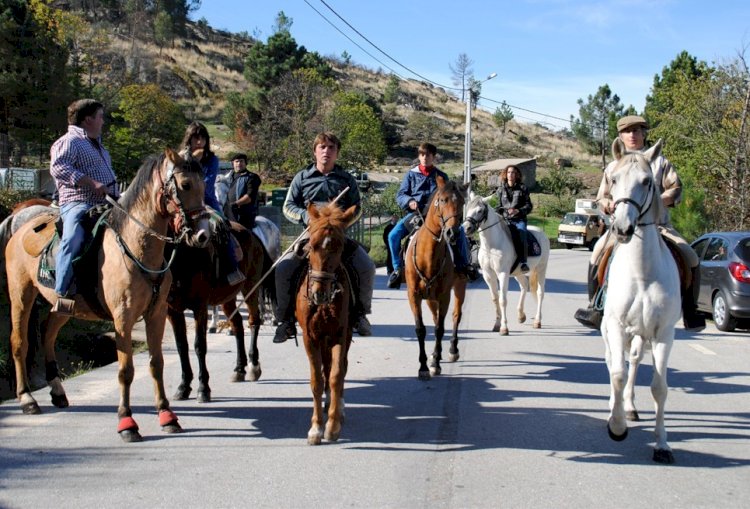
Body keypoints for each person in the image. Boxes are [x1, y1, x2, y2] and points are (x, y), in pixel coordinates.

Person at [574, 115, 705, 332]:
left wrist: (659, 200)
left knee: (690, 256)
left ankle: (691, 310)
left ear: (644, 134)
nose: (632, 135)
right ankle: (596, 308)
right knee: (597, 253)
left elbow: (675, 188)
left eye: (637, 130)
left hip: (658, 225)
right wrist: (607, 204)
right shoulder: (613, 166)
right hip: (622, 226)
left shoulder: (660, 162)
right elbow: (602, 196)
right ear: (621, 136)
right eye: (628, 131)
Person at [273, 132, 376, 343]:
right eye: (322, 147)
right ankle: (285, 320)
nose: (326, 151)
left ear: (337, 153)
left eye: (331, 148)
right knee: (283, 269)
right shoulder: (302, 178)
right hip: (310, 237)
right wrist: (305, 215)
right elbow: (288, 206)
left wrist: (339, 221)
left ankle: (360, 315)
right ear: (315, 151)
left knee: (366, 266)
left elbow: (356, 208)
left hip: (337, 237)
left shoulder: (346, 179)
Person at [49, 99, 120, 315]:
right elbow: (58, 168)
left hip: (106, 204)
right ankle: (62, 294)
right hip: (77, 202)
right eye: (100, 117)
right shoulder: (69, 141)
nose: (103, 121)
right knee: (73, 238)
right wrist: (92, 183)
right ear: (88, 119)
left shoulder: (98, 146)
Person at [386, 142, 477, 289]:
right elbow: (401, 194)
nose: (424, 157)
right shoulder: (411, 175)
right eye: (422, 154)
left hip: (439, 217)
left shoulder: (441, 176)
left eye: (428, 155)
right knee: (393, 236)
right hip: (416, 215)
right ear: (419, 156)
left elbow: (450, 196)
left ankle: (464, 266)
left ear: (433, 157)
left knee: (459, 232)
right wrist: (409, 201)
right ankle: (397, 269)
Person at [180, 122, 244, 286]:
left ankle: (231, 268)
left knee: (222, 226)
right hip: (183, 203)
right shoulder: (181, 158)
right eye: (196, 138)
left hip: (206, 201)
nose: (200, 142)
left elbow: (206, 186)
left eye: (203, 138)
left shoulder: (212, 160)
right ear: (189, 139)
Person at [495, 164, 532, 273]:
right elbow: (498, 206)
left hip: (519, 220)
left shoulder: (523, 188)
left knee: (522, 234)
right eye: (509, 172)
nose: (510, 174)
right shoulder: (501, 189)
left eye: (513, 172)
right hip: (505, 220)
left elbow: (529, 206)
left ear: (516, 175)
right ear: (505, 175)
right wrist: (502, 212)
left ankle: (523, 262)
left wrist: (518, 210)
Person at [225, 152, 261, 230]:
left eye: (241, 161)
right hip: (227, 213)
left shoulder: (252, 177)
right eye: (236, 161)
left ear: (245, 163)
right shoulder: (226, 178)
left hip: (245, 215)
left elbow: (249, 197)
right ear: (232, 163)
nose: (239, 163)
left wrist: (234, 204)